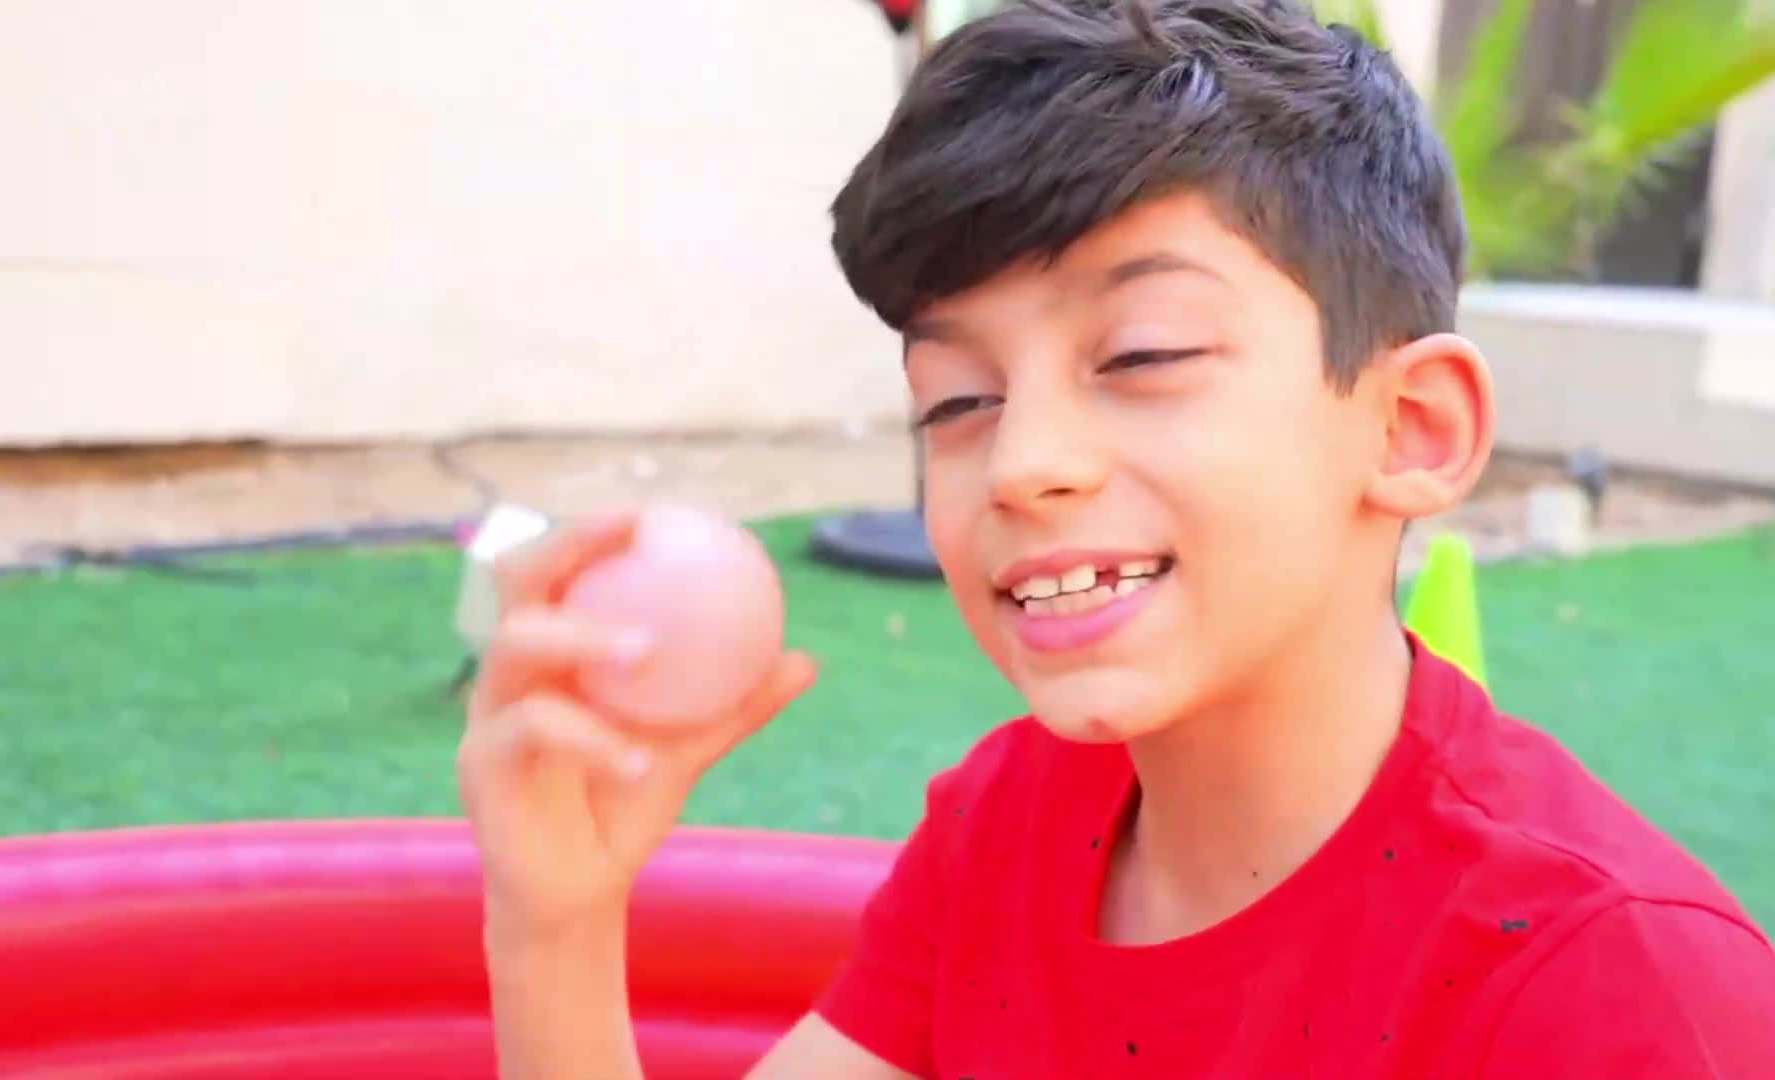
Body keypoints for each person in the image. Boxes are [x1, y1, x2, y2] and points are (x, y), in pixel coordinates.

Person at [456, 1, 1775, 1076]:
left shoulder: (1610, 991)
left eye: (1141, 355)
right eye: (957, 401)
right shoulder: (1012, 828)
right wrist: (555, 925)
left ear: (1412, 428)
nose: (1023, 464)